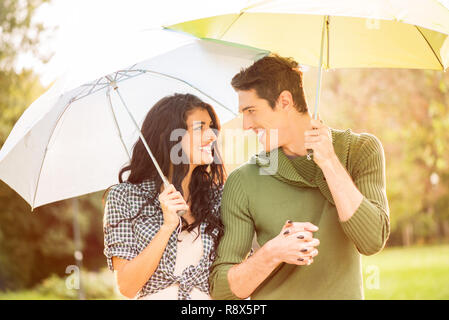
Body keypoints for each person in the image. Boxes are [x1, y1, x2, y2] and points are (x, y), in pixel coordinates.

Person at [209, 55, 390, 300]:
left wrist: (329, 163)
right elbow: (222, 290)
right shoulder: (244, 180)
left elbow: (372, 241)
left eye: (251, 111)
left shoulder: (359, 151)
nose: (245, 125)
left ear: (285, 101)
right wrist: (272, 252)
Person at [103, 93, 225, 300]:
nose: (212, 136)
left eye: (211, 126)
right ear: (171, 137)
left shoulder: (218, 198)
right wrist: (167, 227)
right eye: (200, 127)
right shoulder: (124, 197)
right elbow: (127, 286)